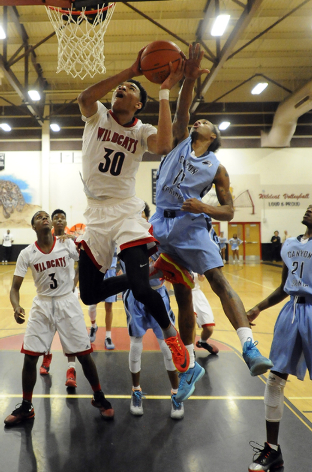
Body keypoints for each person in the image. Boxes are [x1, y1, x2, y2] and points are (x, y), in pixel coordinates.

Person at [150, 43, 273, 402]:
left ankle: (249, 346)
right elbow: (184, 106)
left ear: (213, 136)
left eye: (206, 122)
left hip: (190, 225)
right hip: (161, 224)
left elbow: (230, 211)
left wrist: (203, 208)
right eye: (197, 120)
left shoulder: (217, 167)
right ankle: (188, 365)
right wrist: (188, 78)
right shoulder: (178, 142)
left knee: (218, 279)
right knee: (175, 293)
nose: (198, 121)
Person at [75, 51, 191, 374]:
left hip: (126, 211)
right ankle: (149, 272)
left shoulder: (141, 131)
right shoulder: (97, 115)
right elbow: (85, 97)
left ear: (139, 104)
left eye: (130, 88)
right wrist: (130, 69)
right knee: (89, 294)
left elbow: (165, 144)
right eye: (119, 87)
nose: (121, 89)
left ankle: (172, 337)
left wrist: (165, 90)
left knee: (140, 291)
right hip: (95, 213)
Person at [4, 210, 114, 426]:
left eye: (47, 216)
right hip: (42, 304)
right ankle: (27, 406)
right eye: (39, 217)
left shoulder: (66, 244)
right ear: (34, 227)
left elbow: (89, 259)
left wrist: (77, 241)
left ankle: (99, 396)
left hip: (67, 301)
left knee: (84, 354)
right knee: (29, 357)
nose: (45, 218)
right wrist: (16, 307)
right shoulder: (27, 253)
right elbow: (14, 288)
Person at [247, 204, 312, 472]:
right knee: (275, 378)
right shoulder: (289, 245)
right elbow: (284, 288)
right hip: (291, 311)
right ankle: (272, 451)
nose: (310, 207)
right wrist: (258, 307)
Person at [123, 202, 183, 419]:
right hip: (135, 297)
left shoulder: (159, 236)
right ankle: (135, 391)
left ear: (146, 216)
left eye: (140, 212)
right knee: (136, 345)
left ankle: (176, 393)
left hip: (158, 293)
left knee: (167, 347)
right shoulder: (124, 237)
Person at [39, 209, 79, 388]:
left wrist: (74, 283)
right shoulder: (47, 242)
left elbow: (82, 261)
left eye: (63, 218)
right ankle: (46, 357)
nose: (60, 220)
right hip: (49, 295)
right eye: (56, 218)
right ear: (53, 222)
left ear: (66, 221)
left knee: (70, 332)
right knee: (48, 329)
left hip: (68, 294)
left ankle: (71, 369)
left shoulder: (70, 242)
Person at [88, 250, 118, 350]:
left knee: (108, 307)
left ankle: (108, 337)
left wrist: (121, 268)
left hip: (111, 272)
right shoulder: (98, 235)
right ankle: (93, 326)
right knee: (92, 305)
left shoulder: (115, 236)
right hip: (97, 271)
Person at [193, 273, 219, 355]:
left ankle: (202, 342)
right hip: (184, 293)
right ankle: (189, 349)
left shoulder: (198, 261)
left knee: (209, 328)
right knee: (191, 324)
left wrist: (201, 276)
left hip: (197, 293)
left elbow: (201, 279)